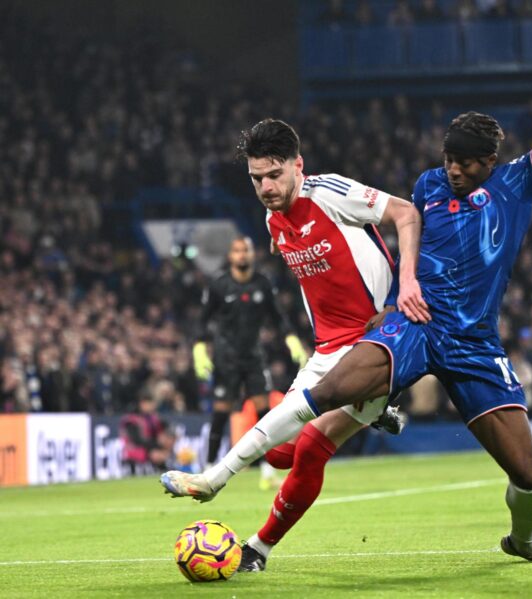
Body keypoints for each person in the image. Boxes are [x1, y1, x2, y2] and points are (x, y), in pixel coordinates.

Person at [162, 13, 532, 565]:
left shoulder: (517, 183)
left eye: (467, 164)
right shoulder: (429, 185)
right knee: (315, 408)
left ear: (491, 161)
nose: (454, 171)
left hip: (474, 343)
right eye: (448, 160)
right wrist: (397, 298)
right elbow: (400, 236)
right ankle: (224, 480)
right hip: (414, 325)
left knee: (529, 478)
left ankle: (526, 541)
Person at [164, 118, 428, 571]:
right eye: (256, 179)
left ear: (297, 166)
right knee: (277, 452)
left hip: (376, 342)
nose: (266, 187)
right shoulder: (273, 219)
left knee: (308, 450)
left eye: (274, 175)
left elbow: (406, 213)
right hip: (326, 351)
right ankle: (374, 410)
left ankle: (234, 511)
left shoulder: (329, 192)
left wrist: (400, 291)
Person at [194, 235, 307, 486]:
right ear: (230, 256)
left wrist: (291, 338)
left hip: (254, 356)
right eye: (237, 251)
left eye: (245, 250)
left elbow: (277, 316)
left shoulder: (262, 284)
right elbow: (203, 319)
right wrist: (200, 347)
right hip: (226, 358)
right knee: (221, 412)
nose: (241, 255)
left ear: (251, 254)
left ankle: (267, 471)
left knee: (263, 411)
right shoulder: (219, 285)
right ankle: (209, 467)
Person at [120, 392, 175, 474]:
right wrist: (153, 449)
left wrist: (165, 440)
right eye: (150, 404)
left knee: (163, 452)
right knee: (156, 455)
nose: (152, 406)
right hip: (135, 452)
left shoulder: (153, 418)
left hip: (151, 449)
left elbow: (167, 428)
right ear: (142, 404)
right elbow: (137, 440)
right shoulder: (131, 420)